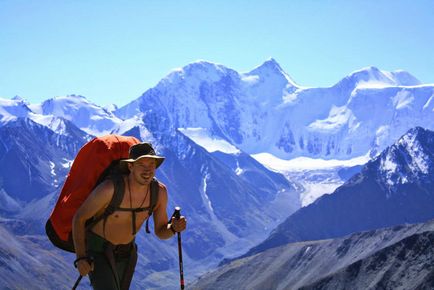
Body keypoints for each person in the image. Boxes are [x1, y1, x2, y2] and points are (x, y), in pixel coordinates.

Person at [72, 142, 187, 290]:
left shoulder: (159, 192)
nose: (147, 170)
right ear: (130, 166)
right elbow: (79, 218)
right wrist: (81, 257)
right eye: (141, 165)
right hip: (98, 250)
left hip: (128, 253)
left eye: (151, 164)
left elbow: (160, 231)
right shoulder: (109, 189)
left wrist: (173, 228)